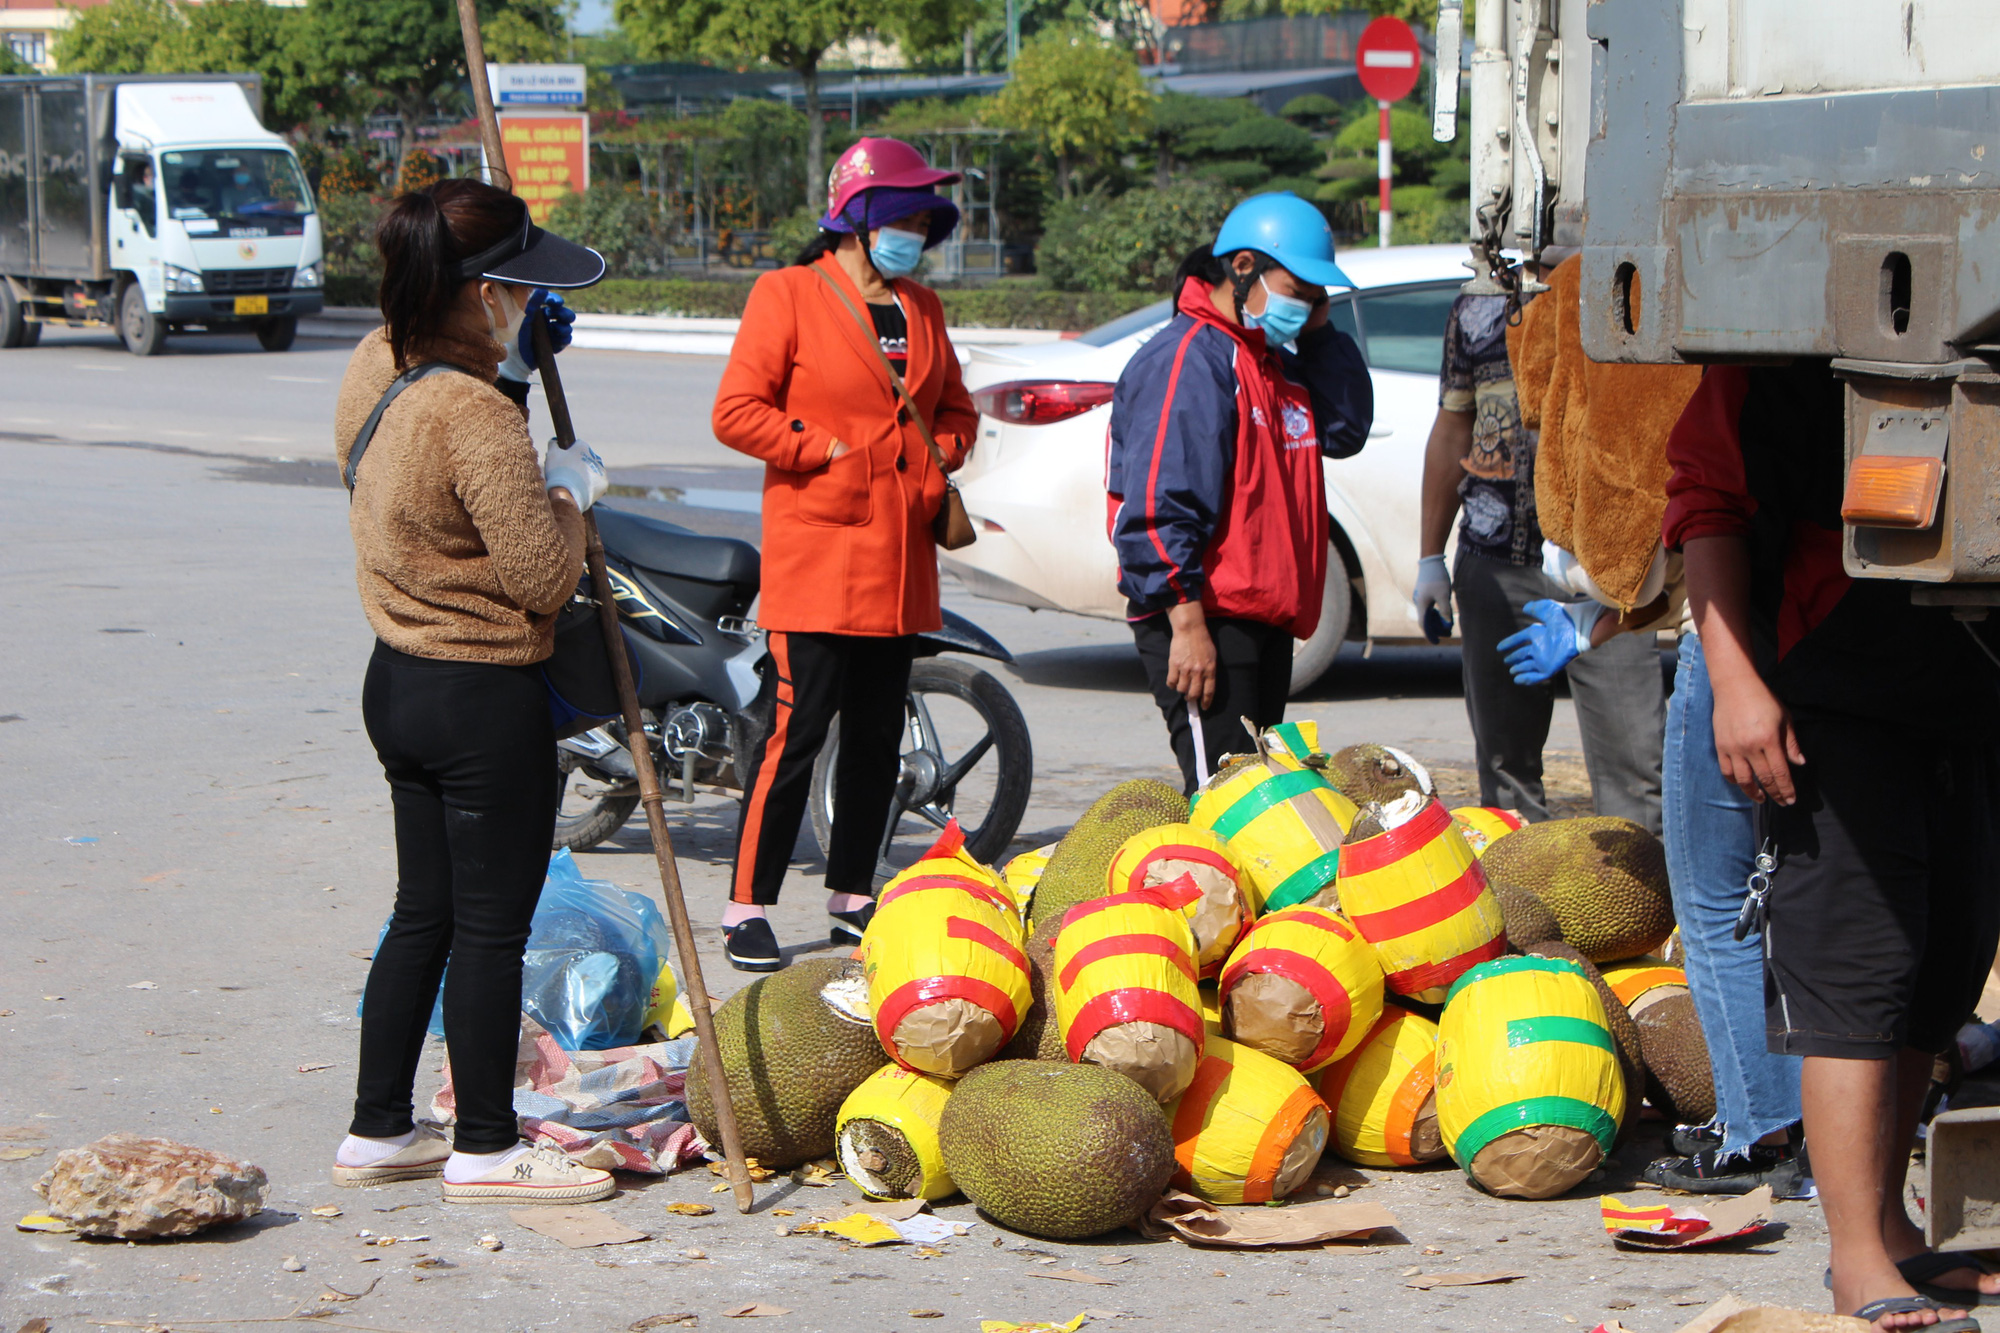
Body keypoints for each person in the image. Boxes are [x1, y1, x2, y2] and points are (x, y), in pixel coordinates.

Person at [1668, 360, 2000, 1331]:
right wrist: (1735, 685)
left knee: (1940, 969)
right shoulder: (1780, 342)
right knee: (1855, 971)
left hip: (1962, 695)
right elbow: (1705, 502)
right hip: (1832, 695)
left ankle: (1891, 1227)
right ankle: (1853, 1256)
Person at [1492, 252, 1805, 1195]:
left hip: (1740, 641)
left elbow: (1694, 512)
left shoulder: (1652, 319)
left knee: (1717, 898)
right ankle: (1830, 1117)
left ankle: (1761, 1123)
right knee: (1812, 890)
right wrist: (1605, 619)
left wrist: (1642, 618)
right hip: (1822, 632)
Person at [330, 178, 614, 1204]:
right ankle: (488, 1149)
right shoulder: (474, 414)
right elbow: (541, 576)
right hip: (480, 695)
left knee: (424, 911)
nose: (527, 308)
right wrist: (566, 493)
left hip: (396, 681)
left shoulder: (376, 364)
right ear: (485, 291)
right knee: (494, 928)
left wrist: (520, 377)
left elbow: (421, 481)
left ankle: (377, 1129)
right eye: (518, 293)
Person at [710, 138, 978, 972]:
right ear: (857, 219)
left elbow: (957, 411)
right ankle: (746, 902)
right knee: (796, 732)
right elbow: (736, 410)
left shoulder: (923, 309)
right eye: (900, 216)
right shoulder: (788, 293)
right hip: (819, 561)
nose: (914, 233)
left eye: (921, 220)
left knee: (874, 738)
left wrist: (942, 453)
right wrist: (821, 448)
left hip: (901, 565)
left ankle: (853, 894)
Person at [1105, 192, 1373, 791]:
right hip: (1206, 617)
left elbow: (1345, 428)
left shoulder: (1272, 362)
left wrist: (1320, 330)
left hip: (1264, 619)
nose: (1304, 306)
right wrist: (1187, 623)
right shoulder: (1190, 359)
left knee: (1258, 810)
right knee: (1227, 808)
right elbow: (1156, 506)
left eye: (1315, 296)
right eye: (1297, 290)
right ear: (1243, 267)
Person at [1414, 251, 1665, 832]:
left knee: (1635, 769)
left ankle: (1639, 908)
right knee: (1504, 770)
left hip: (1608, 569)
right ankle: (1522, 901)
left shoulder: (1628, 294)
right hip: (1496, 560)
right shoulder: (1478, 307)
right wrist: (1431, 557)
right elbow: (1452, 425)